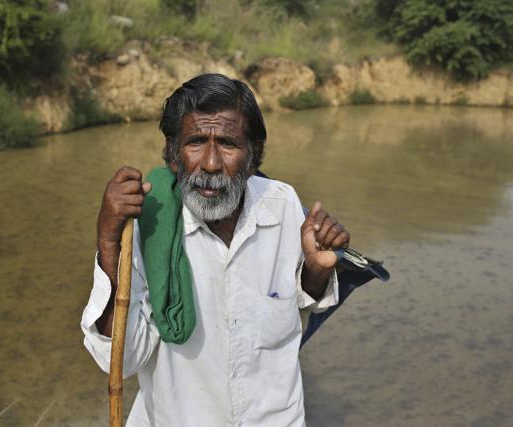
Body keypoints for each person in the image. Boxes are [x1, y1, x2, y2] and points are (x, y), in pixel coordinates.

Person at [81, 73, 351, 426]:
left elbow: (303, 305)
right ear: (173, 155)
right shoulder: (149, 225)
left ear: (254, 157)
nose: (210, 163)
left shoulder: (282, 205)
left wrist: (316, 270)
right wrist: (108, 240)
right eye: (195, 142)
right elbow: (121, 359)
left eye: (227, 144)